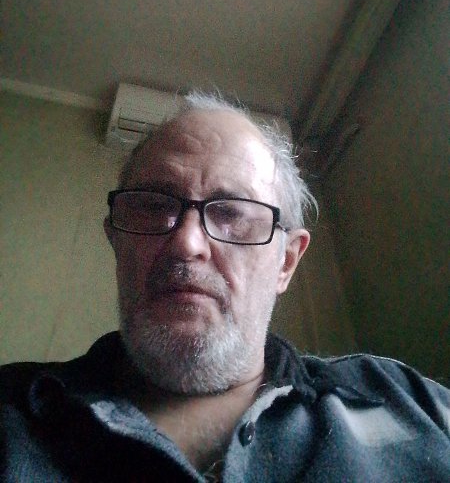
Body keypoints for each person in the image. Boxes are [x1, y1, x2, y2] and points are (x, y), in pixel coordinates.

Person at [1, 91, 449, 482]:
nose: (187, 243)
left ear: (286, 262)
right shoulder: (11, 412)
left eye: (232, 212)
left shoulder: (411, 403)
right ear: (116, 240)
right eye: (154, 206)